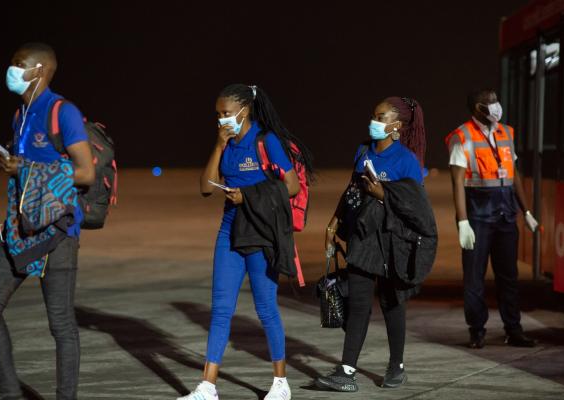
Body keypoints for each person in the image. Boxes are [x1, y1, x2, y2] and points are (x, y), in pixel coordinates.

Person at [0, 43, 95, 400]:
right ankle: (11, 394)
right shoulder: (19, 115)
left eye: (18, 65)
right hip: (20, 226)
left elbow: (85, 172)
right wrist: (12, 164)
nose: (11, 70)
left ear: (39, 70)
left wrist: (23, 167)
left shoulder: (62, 111)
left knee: (61, 325)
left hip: (58, 230)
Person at [186, 84, 315, 400]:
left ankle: (281, 382)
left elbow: (293, 186)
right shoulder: (226, 143)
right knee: (220, 309)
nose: (221, 119)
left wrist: (249, 196)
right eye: (218, 114)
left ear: (244, 111)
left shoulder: (265, 140)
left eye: (226, 114)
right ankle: (208, 386)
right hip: (229, 231)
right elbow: (205, 187)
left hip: (261, 233)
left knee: (266, 308)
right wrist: (218, 146)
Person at [314, 97, 437, 392]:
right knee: (357, 304)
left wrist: (384, 194)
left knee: (392, 303)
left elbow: (415, 207)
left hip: (392, 242)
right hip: (364, 238)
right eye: (373, 116)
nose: (374, 122)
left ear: (396, 126)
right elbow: (351, 192)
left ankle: (397, 366)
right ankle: (346, 371)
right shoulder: (362, 150)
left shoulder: (407, 160)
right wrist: (333, 224)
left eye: (381, 117)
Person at [445, 89, 537, 349]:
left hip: (506, 215)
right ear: (477, 108)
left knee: (509, 276)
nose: (497, 107)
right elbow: (457, 182)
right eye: (490, 103)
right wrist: (462, 221)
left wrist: (527, 211)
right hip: (478, 216)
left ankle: (514, 329)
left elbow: (514, 174)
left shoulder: (506, 132)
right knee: (474, 277)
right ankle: (477, 330)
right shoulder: (462, 137)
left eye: (496, 102)